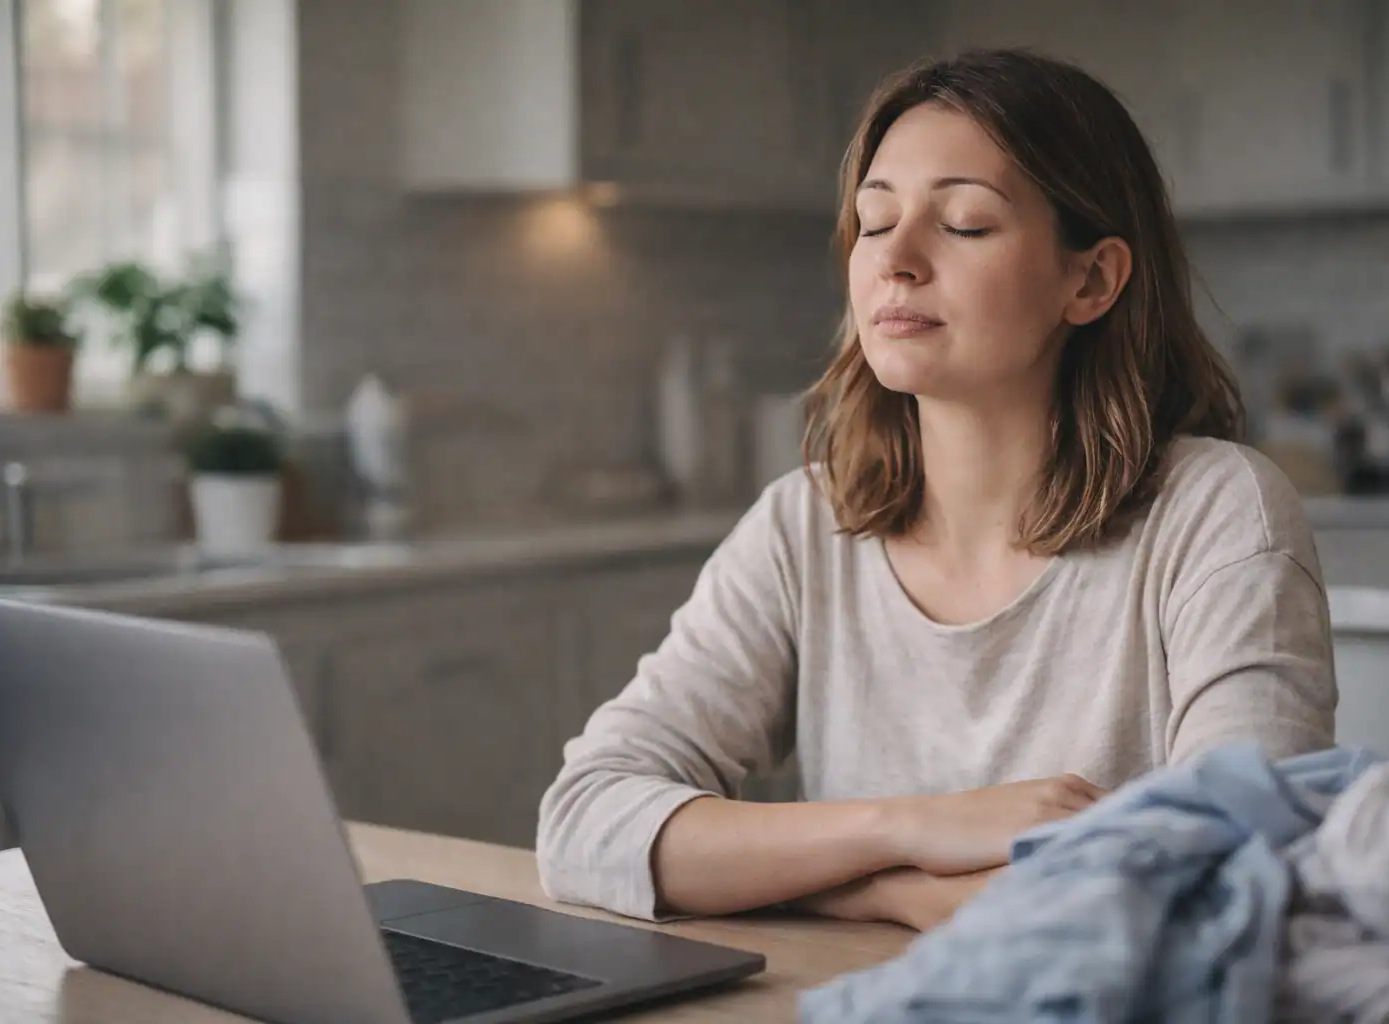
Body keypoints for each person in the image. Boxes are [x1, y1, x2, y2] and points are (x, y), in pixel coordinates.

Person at [537, 48, 1337, 934]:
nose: (898, 261)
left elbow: (1233, 880)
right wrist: (910, 847)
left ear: (1092, 279)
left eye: (963, 224)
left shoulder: (1220, 513)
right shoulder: (803, 525)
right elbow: (583, 823)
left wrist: (800, 872)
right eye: (875, 224)